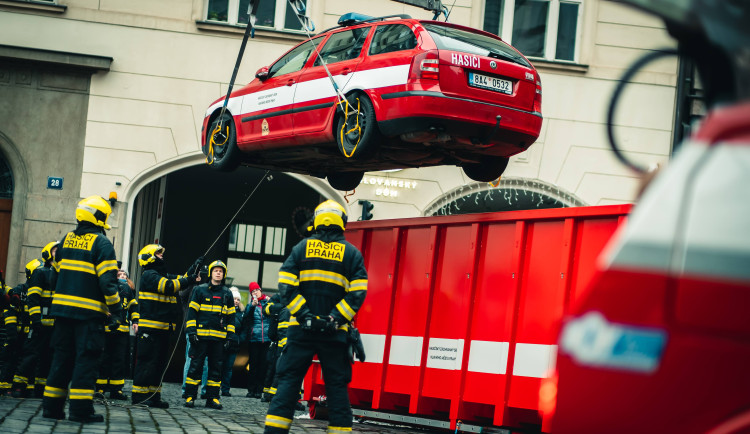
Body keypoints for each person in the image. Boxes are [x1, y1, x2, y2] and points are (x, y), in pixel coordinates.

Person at [264, 200, 368, 434]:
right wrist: (334, 318)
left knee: (288, 384)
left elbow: (286, 286)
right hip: (335, 333)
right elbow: (358, 292)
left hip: (301, 331)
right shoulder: (352, 254)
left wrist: (305, 315)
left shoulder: (301, 249)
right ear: (342, 223)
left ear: (317, 221)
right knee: (336, 388)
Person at [42, 196, 123, 423]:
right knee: (86, 361)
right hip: (88, 317)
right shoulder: (102, 244)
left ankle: (51, 407)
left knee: (61, 360)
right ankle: (80, 411)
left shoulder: (66, 240)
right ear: (98, 216)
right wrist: (117, 310)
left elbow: (53, 278)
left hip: (62, 314)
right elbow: (108, 283)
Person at [131, 244, 193, 407]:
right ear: (149, 257)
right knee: (147, 363)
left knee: (158, 365)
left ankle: (153, 396)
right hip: (151, 329)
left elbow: (180, 279)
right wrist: (190, 279)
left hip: (163, 329)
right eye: (158, 253)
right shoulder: (149, 275)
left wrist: (193, 270)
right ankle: (139, 396)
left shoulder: (162, 274)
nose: (161, 256)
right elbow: (169, 286)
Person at [184, 260, 235, 410]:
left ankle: (212, 398)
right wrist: (191, 332)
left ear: (223, 274)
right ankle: (190, 396)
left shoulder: (227, 293)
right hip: (200, 338)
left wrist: (230, 336)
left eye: (221, 271)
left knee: (216, 370)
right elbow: (192, 313)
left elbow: (231, 317)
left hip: (218, 339)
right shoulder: (199, 290)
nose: (218, 273)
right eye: (215, 270)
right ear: (211, 273)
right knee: (195, 368)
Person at [12, 241, 59, 398]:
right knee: (30, 355)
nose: (58, 252)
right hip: (39, 324)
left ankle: (40, 388)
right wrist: (35, 319)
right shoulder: (40, 273)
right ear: (47, 253)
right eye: (55, 250)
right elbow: (33, 299)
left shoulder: (62, 275)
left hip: (55, 326)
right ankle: (18, 386)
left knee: (48, 358)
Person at [96, 269, 139, 400]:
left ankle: (116, 390)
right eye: (118, 275)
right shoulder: (106, 287)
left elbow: (133, 306)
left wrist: (135, 321)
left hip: (122, 330)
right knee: (103, 359)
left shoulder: (127, 290)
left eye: (123, 275)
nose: (121, 277)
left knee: (119, 360)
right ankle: (100, 389)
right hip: (106, 329)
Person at [0, 260, 37, 395]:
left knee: (27, 360)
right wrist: (11, 330)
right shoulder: (20, 291)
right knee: (10, 358)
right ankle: (5, 386)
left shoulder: (38, 293)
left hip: (29, 335)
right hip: (17, 333)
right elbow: (10, 310)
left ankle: (22, 387)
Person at [241, 281, 270, 398]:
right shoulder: (250, 306)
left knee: (263, 366)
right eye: (253, 291)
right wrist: (252, 306)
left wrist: (270, 302)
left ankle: (259, 390)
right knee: (253, 365)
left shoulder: (268, 302)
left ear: (260, 290)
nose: (255, 292)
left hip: (266, 339)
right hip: (254, 339)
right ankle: (251, 390)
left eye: (257, 290)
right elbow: (246, 318)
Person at [221, 286, 244, 397]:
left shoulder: (241, 313)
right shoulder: (224, 310)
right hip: (223, 341)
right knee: (218, 365)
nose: (236, 301)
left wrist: (240, 339)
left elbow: (244, 328)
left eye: (238, 299)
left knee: (228, 368)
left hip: (234, 343)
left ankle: (225, 389)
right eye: (234, 299)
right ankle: (214, 388)